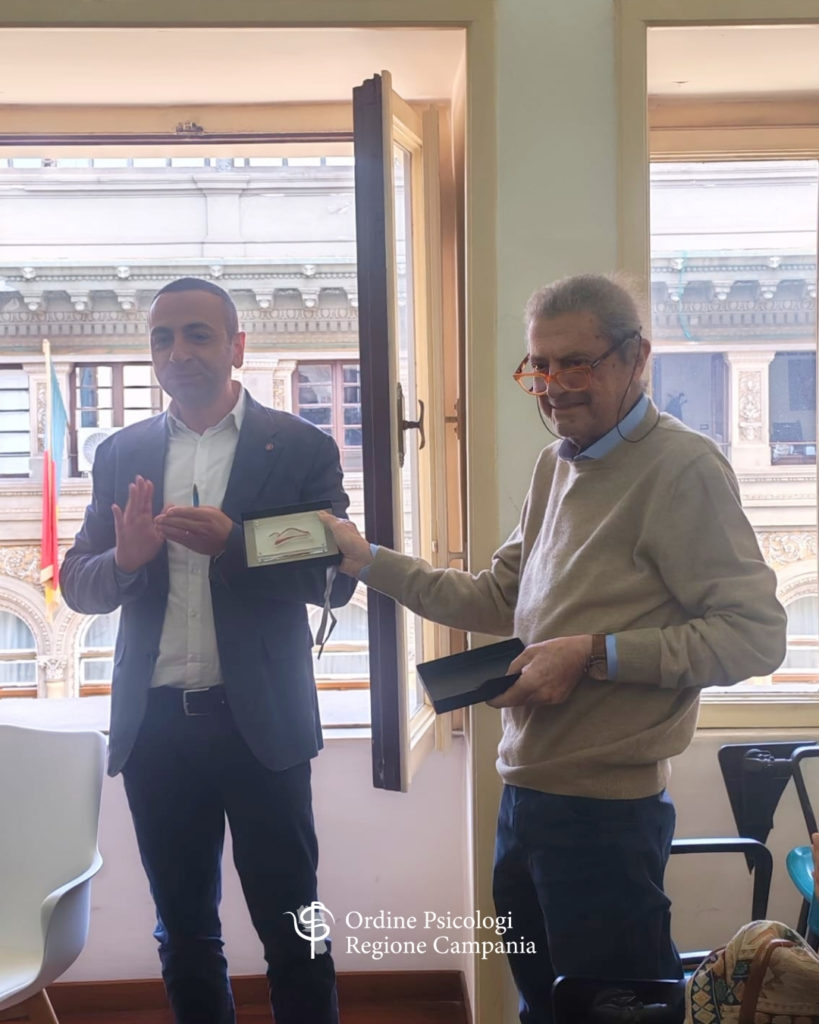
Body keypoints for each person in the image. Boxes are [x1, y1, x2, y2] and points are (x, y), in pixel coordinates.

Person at [319, 274, 787, 1024]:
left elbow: (754, 635)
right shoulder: (556, 464)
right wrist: (367, 560)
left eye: (576, 364)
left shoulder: (684, 468)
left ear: (636, 358)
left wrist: (592, 654)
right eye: (538, 366)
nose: (552, 387)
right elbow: (493, 596)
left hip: (607, 817)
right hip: (526, 796)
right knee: (545, 1006)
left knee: (608, 1012)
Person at [61, 277, 356, 1024]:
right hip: (157, 730)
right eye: (163, 338)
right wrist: (125, 561)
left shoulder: (299, 446)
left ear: (237, 347)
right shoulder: (121, 452)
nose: (178, 352)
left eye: (198, 334)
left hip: (263, 728)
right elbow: (77, 583)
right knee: (184, 932)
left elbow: (336, 574)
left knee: (297, 929)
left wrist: (238, 545)